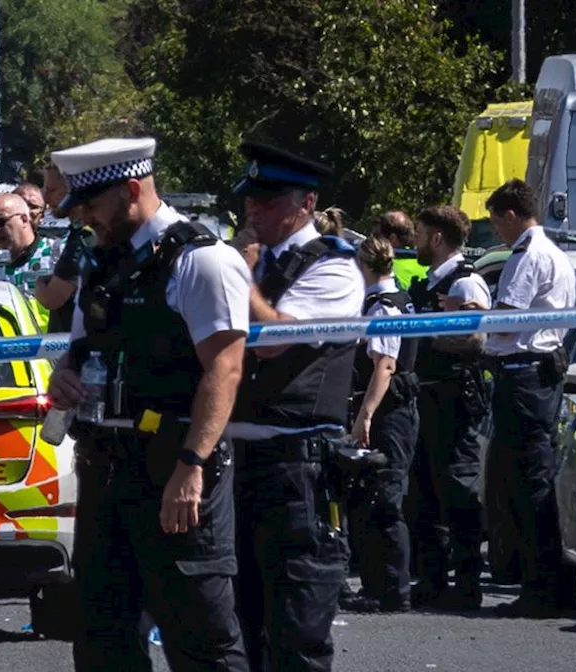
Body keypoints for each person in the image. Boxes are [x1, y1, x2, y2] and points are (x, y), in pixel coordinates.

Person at [48, 137, 250, 672]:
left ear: (131, 190)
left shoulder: (201, 260)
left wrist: (191, 466)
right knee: (101, 636)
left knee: (199, 636)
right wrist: (63, 377)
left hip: (174, 471)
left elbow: (224, 369)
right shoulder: (100, 262)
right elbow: (77, 349)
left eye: (92, 205)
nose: (86, 217)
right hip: (105, 470)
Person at [228, 142, 364, 672]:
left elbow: (273, 340)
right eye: (250, 199)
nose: (252, 210)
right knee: (237, 624)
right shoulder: (252, 261)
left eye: (267, 199)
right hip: (235, 461)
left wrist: (237, 276)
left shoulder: (334, 268)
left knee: (298, 624)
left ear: (306, 203)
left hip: (298, 466)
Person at [482, 179, 576, 618]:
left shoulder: (526, 255)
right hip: (537, 375)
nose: (496, 231)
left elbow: (506, 323)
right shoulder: (555, 253)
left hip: (523, 377)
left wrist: (475, 321)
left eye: (497, 221)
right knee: (529, 480)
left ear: (512, 216)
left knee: (526, 484)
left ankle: (541, 588)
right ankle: (540, 583)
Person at [406, 205, 493, 611]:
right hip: (427, 396)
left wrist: (422, 337)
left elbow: (475, 341)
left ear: (437, 238)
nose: (415, 241)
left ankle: (468, 581)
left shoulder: (466, 284)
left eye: (420, 233)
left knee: (457, 487)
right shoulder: (432, 283)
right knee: (424, 489)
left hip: (455, 399)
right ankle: (432, 578)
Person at [339, 236, 420, 614]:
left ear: (365, 266)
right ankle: (380, 585)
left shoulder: (384, 309)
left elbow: (384, 366)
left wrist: (365, 414)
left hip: (390, 415)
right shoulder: (393, 299)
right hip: (392, 413)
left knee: (385, 500)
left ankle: (391, 589)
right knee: (373, 497)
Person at [35, 162, 96, 335]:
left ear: (73, 191)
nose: (45, 198)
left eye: (51, 190)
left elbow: (51, 298)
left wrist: (39, 282)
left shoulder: (83, 239)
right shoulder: (81, 233)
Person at [0, 192, 55, 329]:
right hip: (11, 348)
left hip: (53, 346)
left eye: (1, 222)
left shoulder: (55, 254)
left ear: (24, 219)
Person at [370, 211, 427, 290]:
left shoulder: (382, 266)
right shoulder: (428, 266)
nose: (371, 241)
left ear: (392, 239)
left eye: (376, 236)